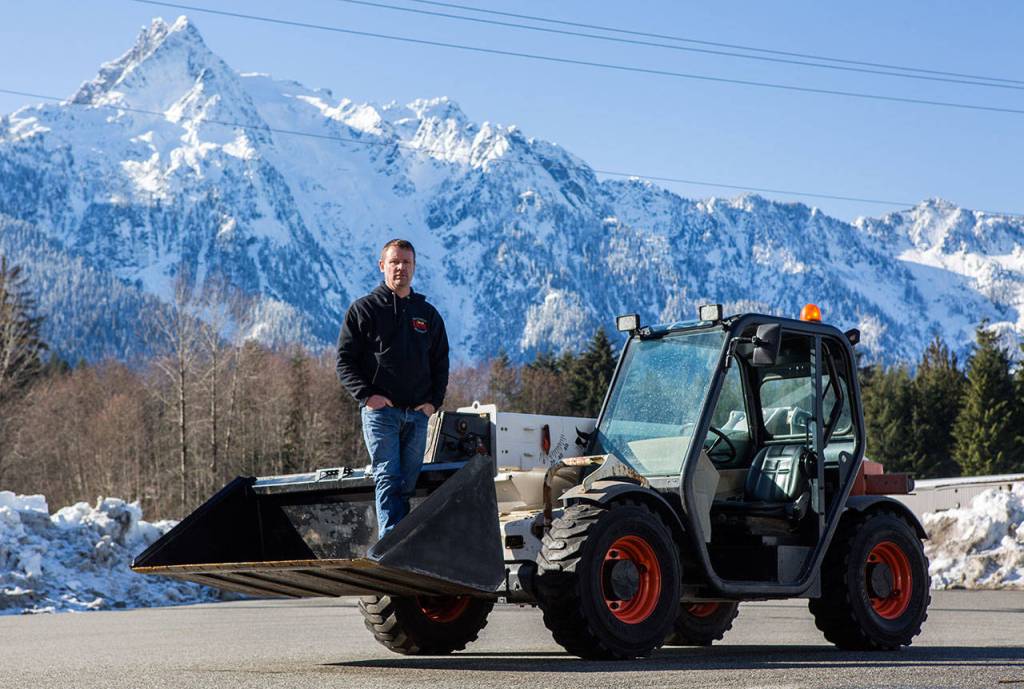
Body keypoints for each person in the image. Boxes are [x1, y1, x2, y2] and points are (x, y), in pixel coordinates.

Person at [336, 239, 449, 537]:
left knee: (407, 483)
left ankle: (402, 541)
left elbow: (441, 363)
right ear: (382, 266)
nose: (401, 268)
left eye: (406, 262)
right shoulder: (364, 310)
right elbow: (344, 362)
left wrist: (432, 403)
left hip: (417, 415)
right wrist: (367, 396)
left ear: (414, 267)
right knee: (387, 475)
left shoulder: (428, 315)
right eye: (395, 262)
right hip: (381, 414)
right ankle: (391, 545)